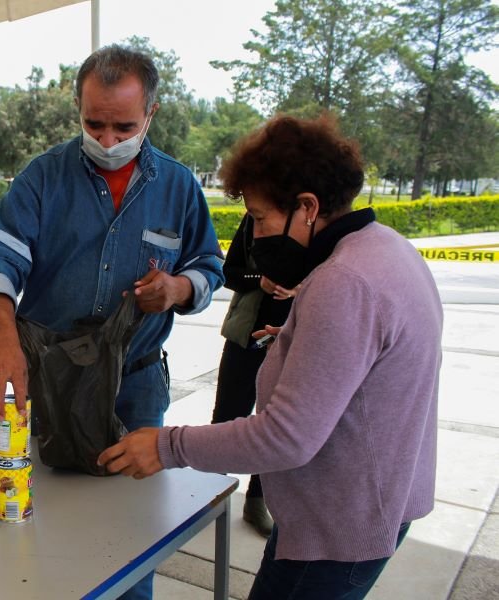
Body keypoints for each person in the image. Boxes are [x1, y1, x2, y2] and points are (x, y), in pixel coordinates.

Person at [98, 114, 442, 600]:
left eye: (259, 218)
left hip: (335, 527)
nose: (255, 236)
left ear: (307, 207)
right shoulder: (388, 249)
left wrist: (166, 446)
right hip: (379, 502)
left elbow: (286, 438)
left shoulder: (342, 282)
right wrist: (303, 337)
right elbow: (382, 354)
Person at [0, 45, 224, 600]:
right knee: (44, 522)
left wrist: (178, 289)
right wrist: (4, 344)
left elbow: (210, 267)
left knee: (130, 535)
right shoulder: (41, 179)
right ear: (78, 110)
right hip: (50, 384)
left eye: (123, 126)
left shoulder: (179, 187)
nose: (108, 141)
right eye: (94, 123)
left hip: (134, 387)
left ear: (151, 114)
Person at [212, 213, 296, 537]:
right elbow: (229, 272)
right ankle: (210, 488)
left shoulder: (316, 223)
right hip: (247, 335)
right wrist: (258, 279)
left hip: (290, 339)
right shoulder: (255, 218)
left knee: (273, 423)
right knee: (227, 415)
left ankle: (257, 499)